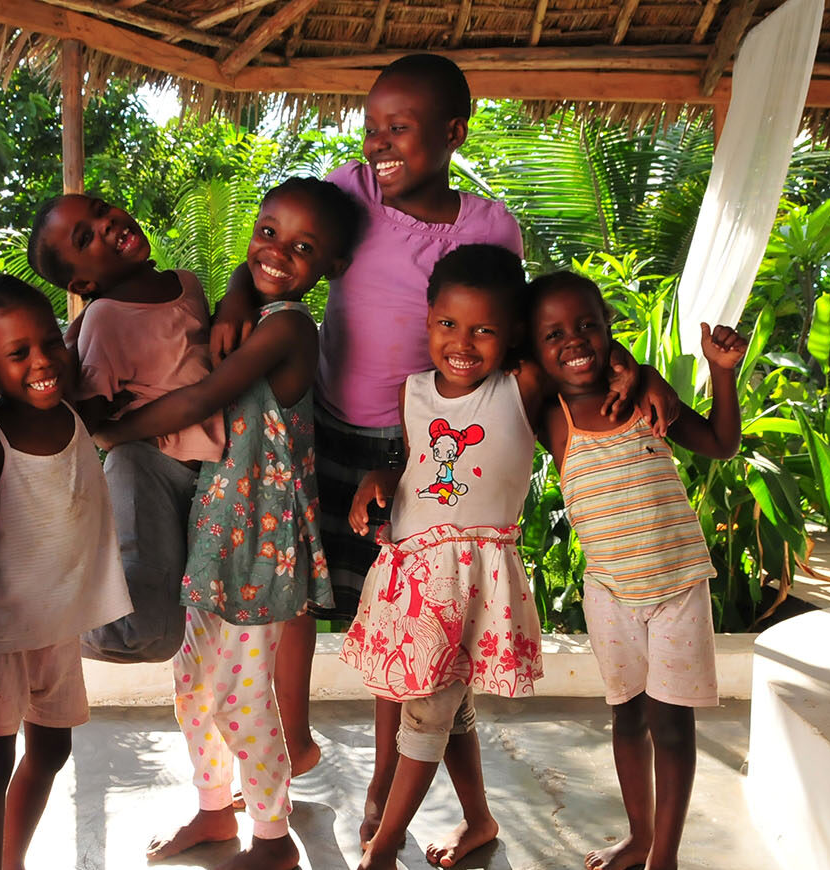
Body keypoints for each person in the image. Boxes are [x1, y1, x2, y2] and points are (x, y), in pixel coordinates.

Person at [208, 54, 534, 829]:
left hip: (415, 449)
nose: (379, 142)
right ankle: (295, 736)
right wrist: (230, 296)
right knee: (294, 585)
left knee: (391, 615)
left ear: (454, 132)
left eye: (400, 128)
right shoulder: (352, 189)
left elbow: (503, 336)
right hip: (319, 423)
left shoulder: (490, 227)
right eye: (372, 126)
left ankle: (386, 777)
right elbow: (277, 255)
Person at [92, 178, 362, 870]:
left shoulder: (291, 327)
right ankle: (215, 813)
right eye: (267, 232)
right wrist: (242, 285)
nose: (276, 252)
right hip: (214, 530)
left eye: (303, 247)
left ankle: (271, 840)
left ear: (329, 268)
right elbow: (251, 275)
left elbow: (204, 395)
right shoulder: (254, 307)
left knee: (243, 701)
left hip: (261, 542)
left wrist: (108, 431)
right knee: (192, 692)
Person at [341, 243, 637, 869]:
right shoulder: (412, 390)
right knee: (442, 705)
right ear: (427, 319)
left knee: (430, 711)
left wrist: (646, 373)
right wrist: (380, 476)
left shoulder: (522, 384)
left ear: (512, 337)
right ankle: (477, 820)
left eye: (485, 330)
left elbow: (582, 350)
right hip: (413, 574)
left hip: (472, 577)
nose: (463, 342)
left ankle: (383, 849)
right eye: (448, 324)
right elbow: (415, 463)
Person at [526, 271, 745, 870]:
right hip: (610, 592)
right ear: (535, 349)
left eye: (588, 326)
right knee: (627, 715)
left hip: (676, 586)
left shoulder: (649, 402)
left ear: (608, 329)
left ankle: (663, 857)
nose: (574, 341)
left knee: (671, 726)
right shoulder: (551, 419)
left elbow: (723, 443)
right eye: (553, 334)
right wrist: (637, 367)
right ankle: (640, 837)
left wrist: (719, 373)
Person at [0, 276, 134, 870]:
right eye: (17, 353)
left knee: (51, 747)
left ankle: (10, 858)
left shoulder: (75, 415)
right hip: (1, 628)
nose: (42, 362)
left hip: (58, 623)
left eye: (50, 342)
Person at [26, 193, 226, 664]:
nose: (106, 223)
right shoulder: (104, 317)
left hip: (209, 474)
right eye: (85, 237)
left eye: (100, 209)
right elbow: (92, 423)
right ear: (83, 281)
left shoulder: (185, 283)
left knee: (170, 632)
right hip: (147, 467)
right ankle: (39, 621)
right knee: (143, 629)